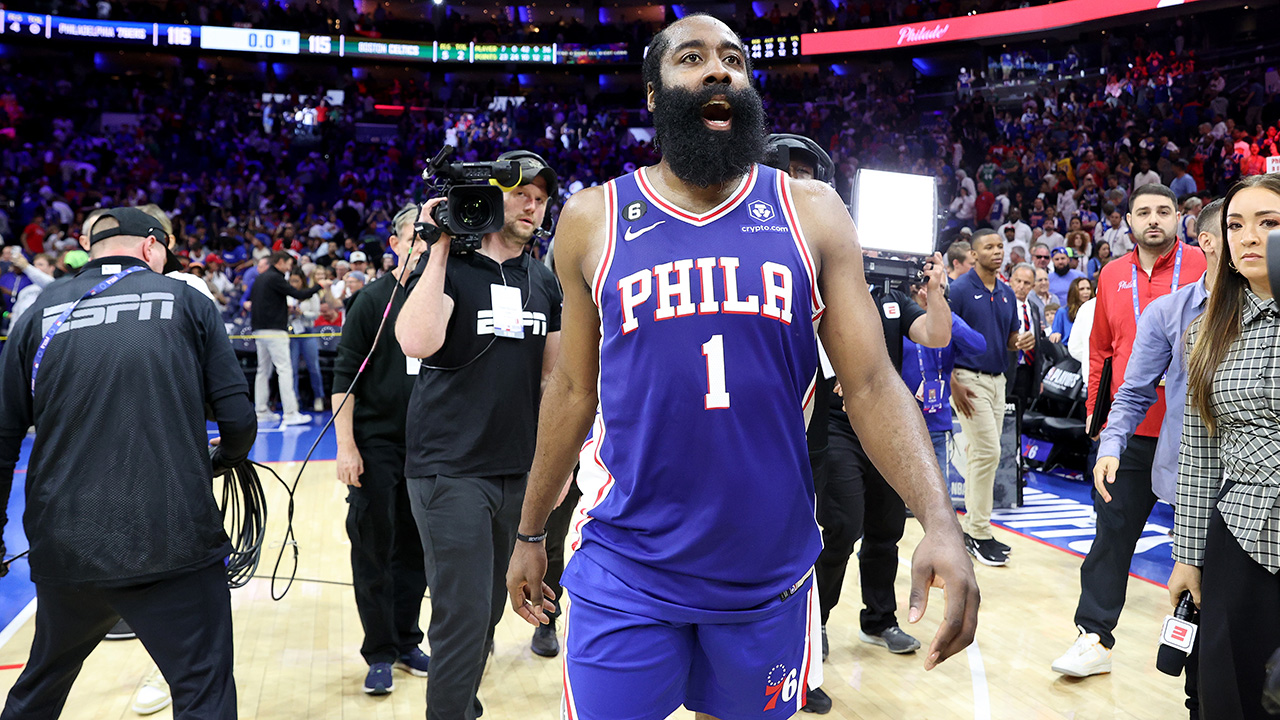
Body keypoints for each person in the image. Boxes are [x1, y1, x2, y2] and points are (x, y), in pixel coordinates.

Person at [505, 15, 979, 720]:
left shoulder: (811, 211)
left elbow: (874, 384)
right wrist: (530, 531)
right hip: (625, 564)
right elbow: (572, 389)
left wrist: (939, 519)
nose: (717, 70)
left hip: (768, 574)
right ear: (654, 95)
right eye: (691, 58)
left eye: (733, 58)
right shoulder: (591, 217)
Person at [0, 207, 255, 719]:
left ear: (91, 249)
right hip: (171, 536)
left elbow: (4, 438)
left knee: (40, 690)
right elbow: (240, 421)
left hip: (65, 542)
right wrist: (221, 458)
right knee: (203, 691)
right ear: (152, 246)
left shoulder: (37, 313)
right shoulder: (187, 300)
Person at [396, 149, 564, 720]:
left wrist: (554, 468)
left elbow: (554, 380)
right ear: (493, 195)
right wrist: (439, 243)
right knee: (463, 616)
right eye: (521, 194)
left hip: (515, 470)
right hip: (449, 469)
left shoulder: (545, 281)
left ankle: (460, 702)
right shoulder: (450, 268)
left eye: (541, 200)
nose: (532, 206)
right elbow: (416, 342)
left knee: (491, 607)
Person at [1071, 198, 1222, 713]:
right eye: (1143, 211)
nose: (1153, 219)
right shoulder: (1115, 276)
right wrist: (1103, 429)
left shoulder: (1215, 268)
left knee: (1212, 570)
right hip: (1140, 433)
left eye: (1164, 210)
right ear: (1130, 221)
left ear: (1183, 221)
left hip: (1209, 443)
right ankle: (1093, 636)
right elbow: (1104, 356)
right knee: (1113, 533)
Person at [1174, 176, 1280, 719]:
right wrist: (1188, 556)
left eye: (1270, 223)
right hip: (1238, 530)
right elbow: (1199, 452)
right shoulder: (1205, 331)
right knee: (1229, 694)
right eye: (1236, 225)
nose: (1249, 237)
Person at [333, 204, 431, 696]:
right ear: (394, 242)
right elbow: (343, 379)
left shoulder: (441, 297)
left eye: (430, 235)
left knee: (414, 550)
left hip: (429, 449)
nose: (422, 243)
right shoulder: (371, 301)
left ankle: (408, 640)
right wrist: (345, 446)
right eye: (414, 235)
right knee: (374, 548)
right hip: (375, 445)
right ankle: (379, 651)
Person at [949, 229, 1031, 566]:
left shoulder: (1008, 293)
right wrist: (952, 381)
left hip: (999, 381)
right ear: (974, 252)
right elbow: (942, 336)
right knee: (988, 452)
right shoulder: (959, 290)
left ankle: (971, 529)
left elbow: (1008, 337)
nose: (997, 252)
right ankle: (977, 531)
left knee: (980, 455)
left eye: (1000, 247)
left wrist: (1019, 342)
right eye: (989, 247)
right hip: (967, 378)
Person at [902, 278, 987, 501]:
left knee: (939, 496)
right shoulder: (900, 317)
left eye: (941, 289)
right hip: (899, 420)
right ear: (916, 289)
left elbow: (979, 346)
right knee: (887, 498)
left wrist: (944, 315)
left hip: (935, 420)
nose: (936, 293)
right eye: (931, 288)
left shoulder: (948, 321)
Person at [250, 250, 331, 425]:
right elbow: (299, 294)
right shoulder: (275, 278)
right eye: (288, 264)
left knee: (263, 371)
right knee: (284, 370)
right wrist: (319, 286)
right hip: (274, 331)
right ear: (280, 262)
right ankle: (290, 412)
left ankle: (261, 410)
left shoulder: (260, 278)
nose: (289, 268)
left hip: (259, 330)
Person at [1004, 263, 1047, 411]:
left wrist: (1038, 377)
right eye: (1018, 281)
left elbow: (1038, 346)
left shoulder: (1033, 308)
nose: (1021, 286)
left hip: (1026, 370)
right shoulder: (1002, 305)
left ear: (1033, 286)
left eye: (1027, 283)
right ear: (1011, 281)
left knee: (1020, 416)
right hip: (1006, 369)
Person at [287, 273, 326, 412]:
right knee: (292, 368)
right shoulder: (288, 294)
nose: (293, 284)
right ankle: (294, 399)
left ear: (302, 281)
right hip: (292, 332)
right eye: (291, 281)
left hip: (308, 332)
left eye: (296, 281)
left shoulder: (311, 295)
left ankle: (318, 397)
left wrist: (301, 313)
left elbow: (316, 314)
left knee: (313, 367)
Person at [1050, 277, 1094, 344]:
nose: (1086, 292)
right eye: (1081, 289)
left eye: (1088, 288)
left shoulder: (1094, 310)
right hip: (1069, 349)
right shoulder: (1062, 312)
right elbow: (1055, 333)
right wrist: (1055, 334)